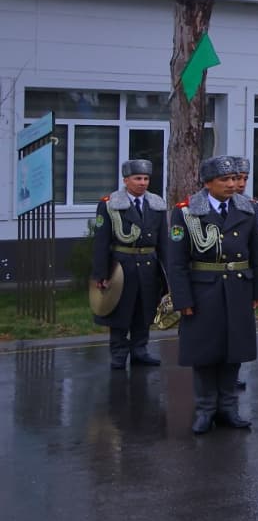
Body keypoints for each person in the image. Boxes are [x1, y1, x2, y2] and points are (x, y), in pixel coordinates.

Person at [163, 155, 258, 434]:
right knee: (205, 352)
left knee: (234, 350)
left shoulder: (248, 209)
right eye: (225, 180)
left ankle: (229, 408)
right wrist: (182, 299)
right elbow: (177, 261)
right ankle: (205, 409)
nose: (232, 184)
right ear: (208, 183)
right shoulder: (187, 211)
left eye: (234, 178)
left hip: (238, 288)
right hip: (203, 291)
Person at [90, 157, 166, 369]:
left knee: (145, 310)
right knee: (120, 311)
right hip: (121, 266)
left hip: (148, 265)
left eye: (146, 179)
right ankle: (119, 353)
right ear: (126, 180)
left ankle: (140, 350)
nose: (142, 183)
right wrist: (101, 273)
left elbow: (163, 241)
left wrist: (167, 273)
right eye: (137, 178)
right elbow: (101, 241)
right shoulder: (110, 204)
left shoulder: (156, 204)